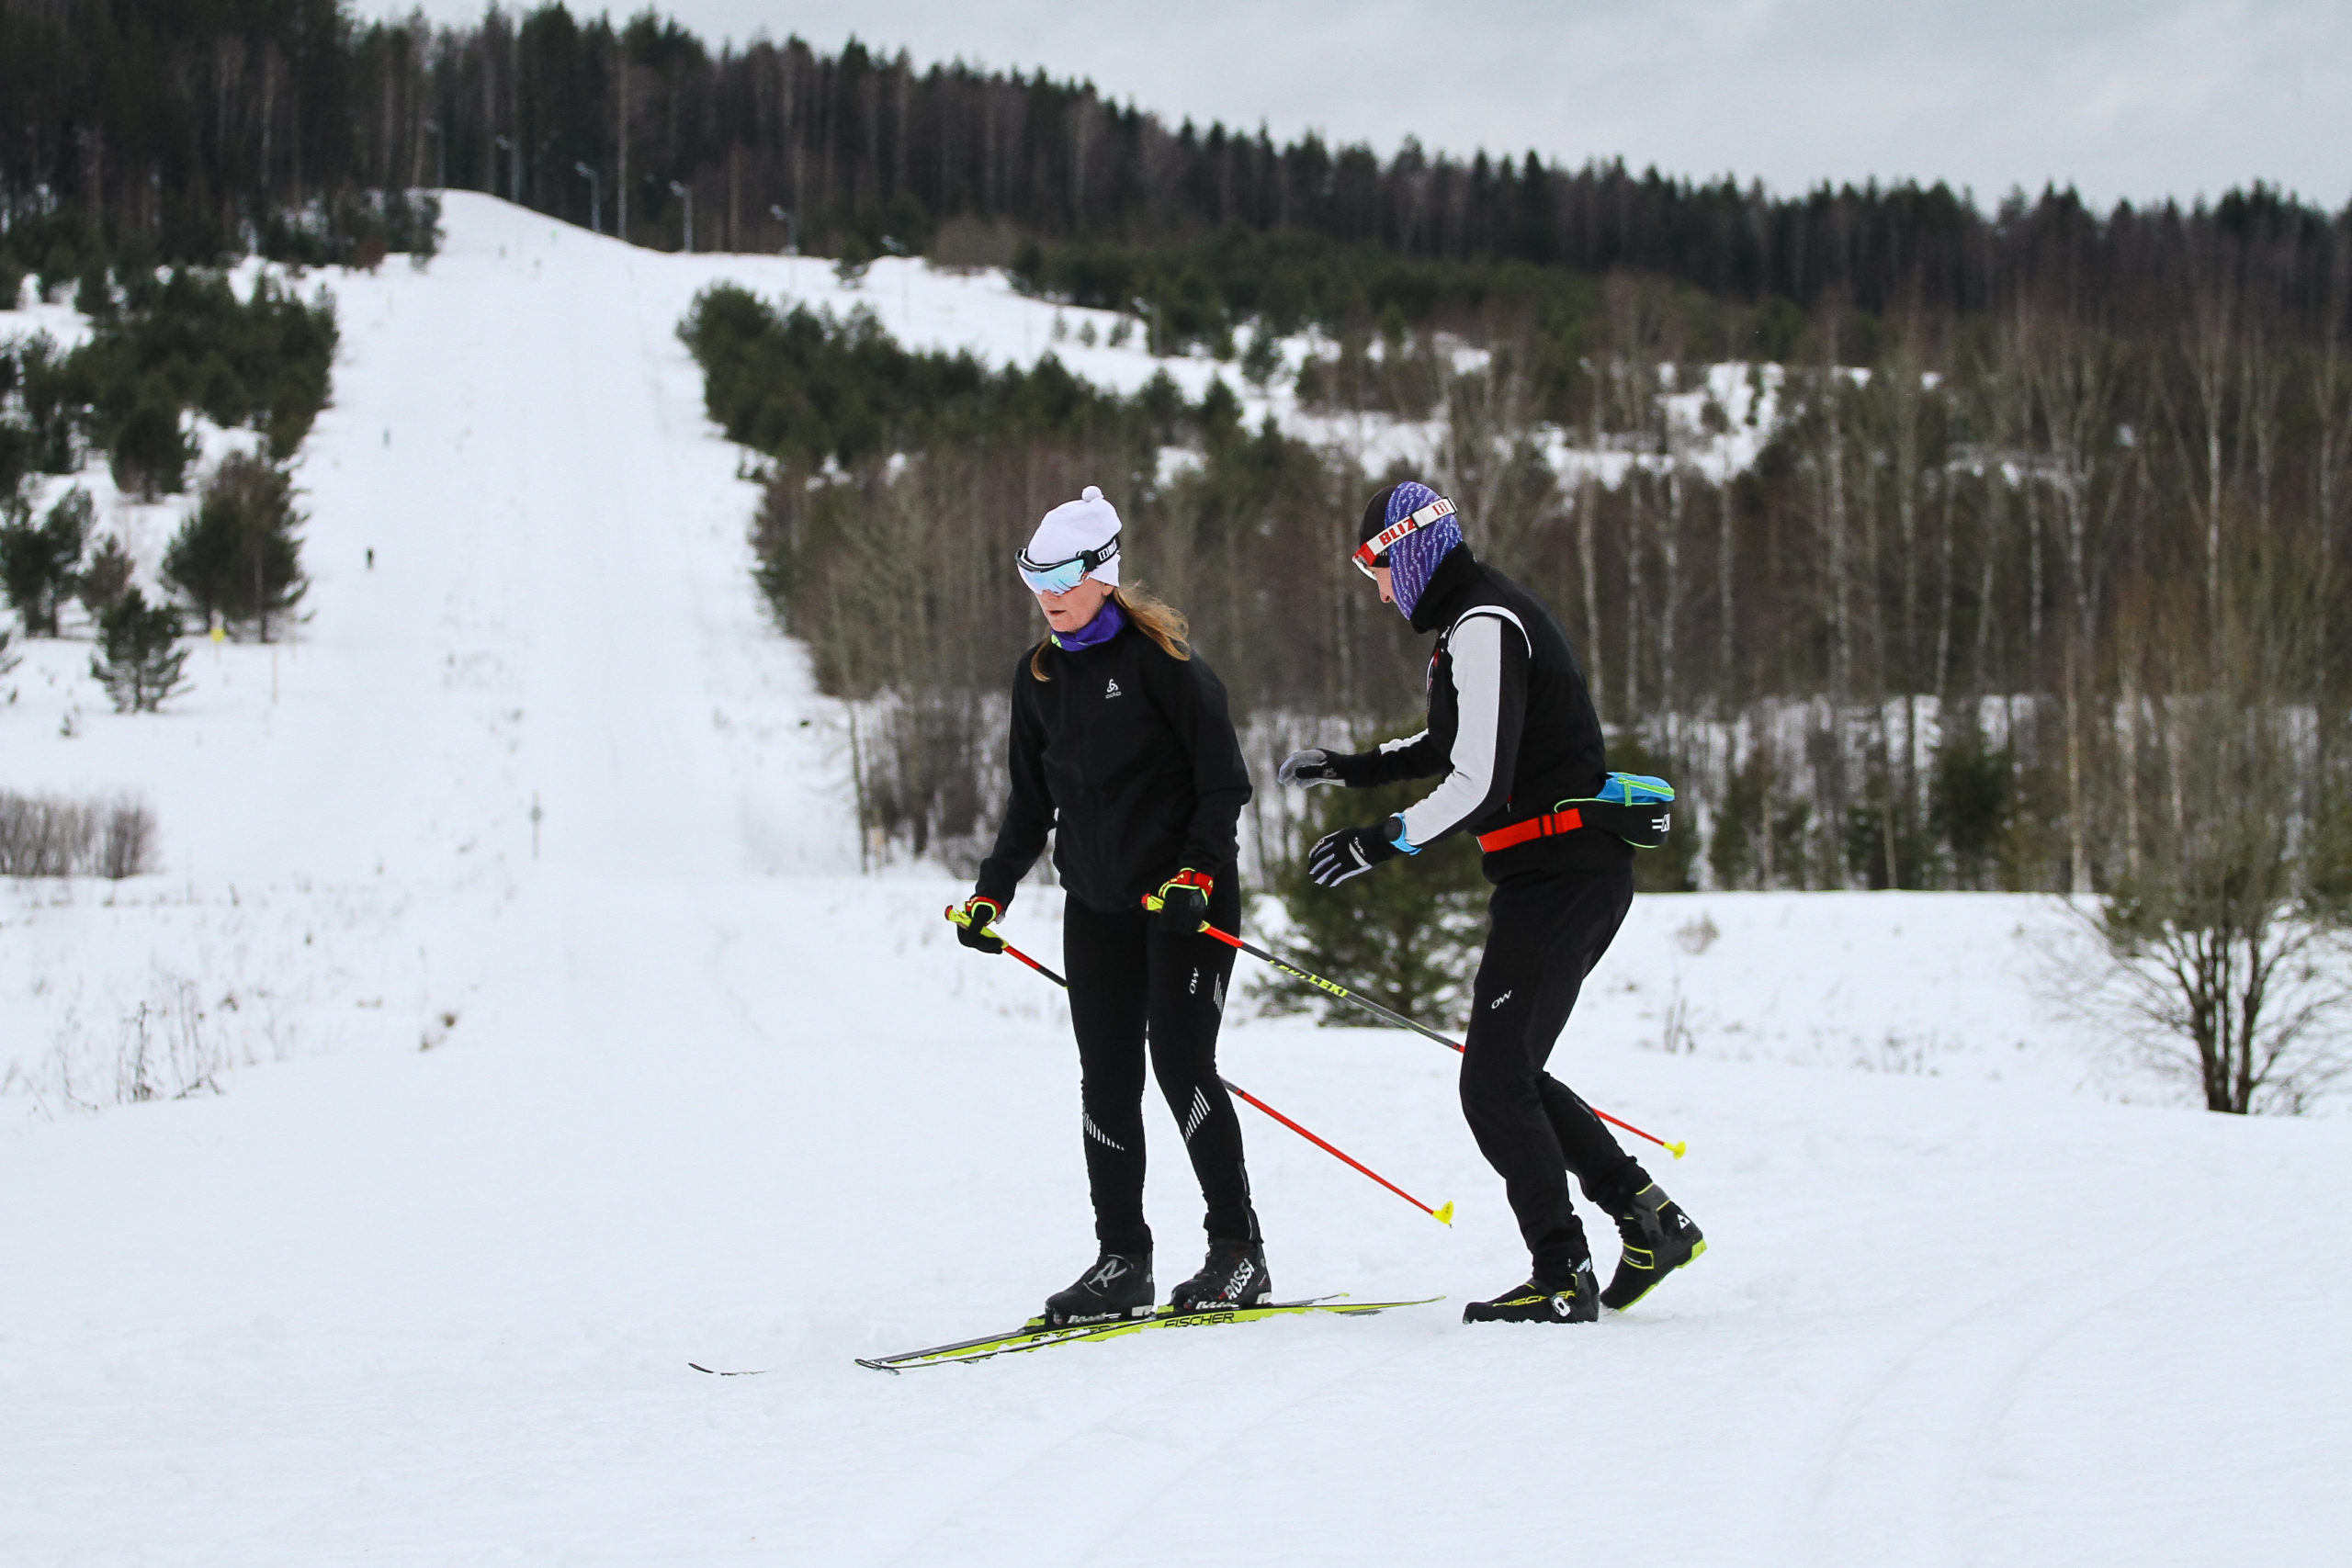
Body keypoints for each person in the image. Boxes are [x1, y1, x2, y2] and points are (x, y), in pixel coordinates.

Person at [1277, 481, 1704, 1325]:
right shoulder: (1470, 623)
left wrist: (1382, 839)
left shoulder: (1483, 624)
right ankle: (1648, 1217)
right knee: (1510, 1071)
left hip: (1564, 877)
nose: (1381, 591)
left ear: (1413, 552)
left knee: (1493, 1082)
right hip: (1550, 879)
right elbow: (1445, 743)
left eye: (1381, 570)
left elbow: (1479, 781)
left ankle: (1561, 1275)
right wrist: (1346, 766)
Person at [950, 485, 1269, 1326]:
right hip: (1094, 900)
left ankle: (1239, 1251)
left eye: (1061, 575)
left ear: (1102, 572)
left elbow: (1222, 784)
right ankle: (1122, 1258)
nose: (1048, 595)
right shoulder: (1041, 676)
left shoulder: (1164, 666)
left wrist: (1198, 875)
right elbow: (1029, 801)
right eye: (1034, 578)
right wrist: (992, 891)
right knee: (1106, 1080)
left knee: (1181, 1062)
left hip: (1182, 902)